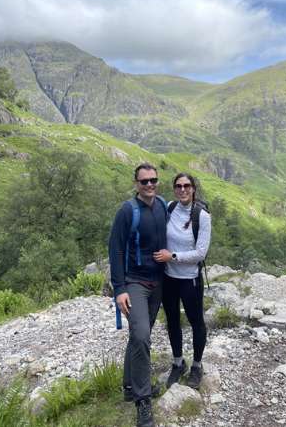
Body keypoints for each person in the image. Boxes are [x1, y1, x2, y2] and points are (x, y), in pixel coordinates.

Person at [108, 163, 168, 427]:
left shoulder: (163, 205)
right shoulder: (127, 211)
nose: (149, 185)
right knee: (143, 336)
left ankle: (130, 386)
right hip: (135, 283)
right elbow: (116, 250)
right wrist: (119, 289)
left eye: (153, 180)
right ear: (136, 184)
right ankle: (143, 401)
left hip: (158, 281)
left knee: (138, 336)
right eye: (144, 181)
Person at [153, 173, 211, 390]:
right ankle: (178, 362)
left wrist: (173, 257)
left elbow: (201, 253)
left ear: (193, 189)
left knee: (197, 322)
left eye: (187, 185)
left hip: (190, 280)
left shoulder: (202, 216)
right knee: (173, 321)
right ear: (174, 189)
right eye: (178, 186)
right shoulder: (169, 208)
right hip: (169, 278)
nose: (183, 189)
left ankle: (197, 365)